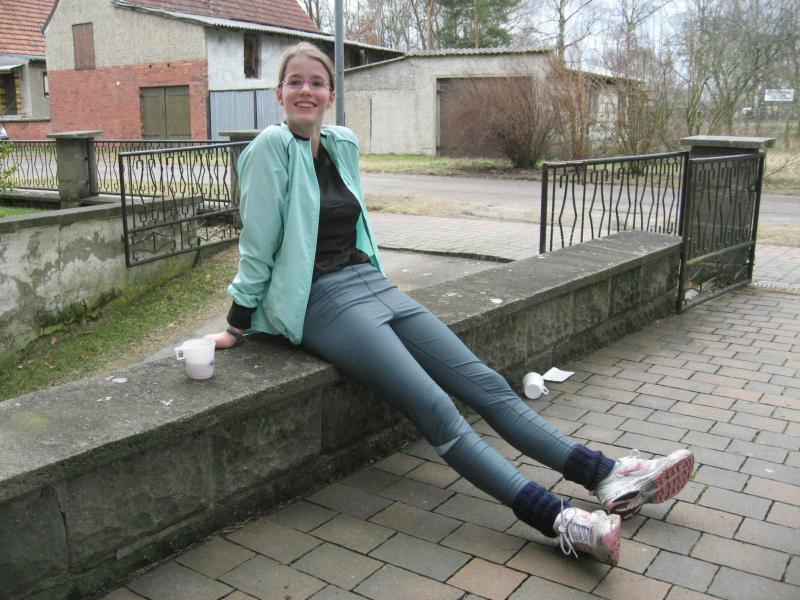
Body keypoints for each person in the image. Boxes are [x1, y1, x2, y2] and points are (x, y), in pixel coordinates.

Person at [206, 42, 694, 566]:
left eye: (316, 82)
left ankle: (607, 477)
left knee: (486, 383)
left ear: (330, 95)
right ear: (279, 93)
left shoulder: (342, 143)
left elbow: (351, 224)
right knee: (436, 408)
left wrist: (375, 279)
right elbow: (257, 246)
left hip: (370, 283)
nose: (306, 90)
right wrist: (236, 323)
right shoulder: (268, 150)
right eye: (295, 82)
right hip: (321, 302)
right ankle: (560, 521)